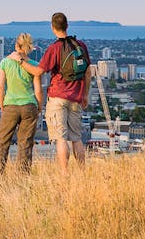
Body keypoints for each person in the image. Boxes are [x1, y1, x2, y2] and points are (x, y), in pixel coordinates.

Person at [20, 12, 91, 174]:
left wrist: (22, 62)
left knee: (61, 138)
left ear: (53, 27)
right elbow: (87, 73)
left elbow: (38, 71)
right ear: (67, 25)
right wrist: (85, 95)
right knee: (76, 138)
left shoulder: (54, 48)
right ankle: (82, 172)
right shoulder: (80, 46)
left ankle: (64, 173)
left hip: (58, 97)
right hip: (76, 98)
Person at [0, 33, 43, 173]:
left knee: (1, 141)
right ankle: (22, 176)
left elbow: (0, 87)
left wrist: (2, 105)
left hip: (10, 105)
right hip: (29, 105)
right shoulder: (35, 65)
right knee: (25, 143)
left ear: (16, 46)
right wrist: (39, 106)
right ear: (29, 48)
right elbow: (38, 91)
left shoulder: (5, 63)